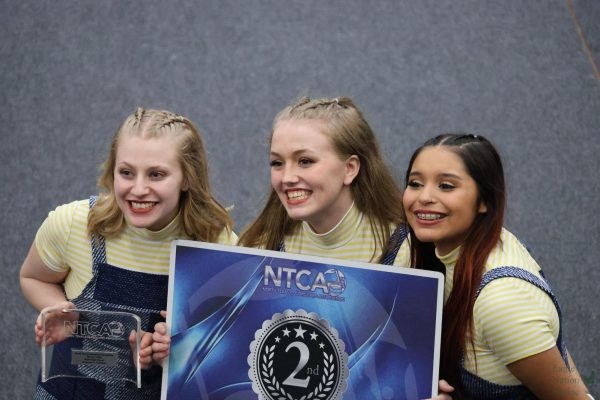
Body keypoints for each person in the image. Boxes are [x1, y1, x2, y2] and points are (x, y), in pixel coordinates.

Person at [152, 96, 450, 399]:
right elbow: (228, 364)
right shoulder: (258, 245)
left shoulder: (406, 252)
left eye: (305, 161)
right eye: (277, 163)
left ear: (350, 168)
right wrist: (178, 347)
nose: (287, 177)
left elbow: (411, 368)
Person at [19, 107, 237, 399]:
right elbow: (33, 277)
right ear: (112, 171)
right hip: (68, 390)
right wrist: (61, 310)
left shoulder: (218, 245)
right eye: (126, 172)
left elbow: (230, 343)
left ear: (188, 178)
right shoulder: (72, 223)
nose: (138, 188)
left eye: (156, 174)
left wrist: (178, 350)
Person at [402, 133, 591, 399]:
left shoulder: (503, 300)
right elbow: (545, 349)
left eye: (446, 186)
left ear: (484, 201)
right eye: (415, 183)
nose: (424, 197)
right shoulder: (479, 243)